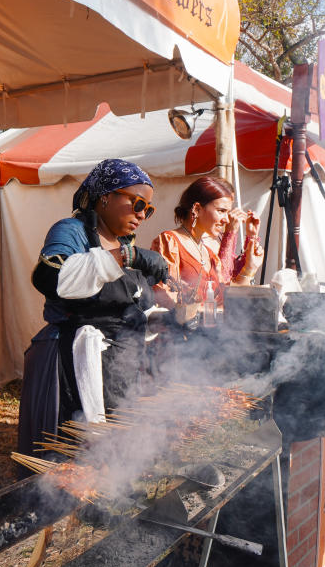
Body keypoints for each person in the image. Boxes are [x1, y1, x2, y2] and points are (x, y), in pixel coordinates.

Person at [18, 159, 169, 463]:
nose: (142, 215)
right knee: (74, 460)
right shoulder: (72, 230)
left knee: (116, 461)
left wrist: (165, 317)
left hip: (121, 370)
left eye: (148, 209)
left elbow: (133, 309)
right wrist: (128, 256)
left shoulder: (125, 242)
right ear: (105, 197)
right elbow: (52, 277)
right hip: (76, 368)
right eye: (137, 203)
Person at [150, 174, 264, 318]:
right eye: (221, 211)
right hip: (179, 335)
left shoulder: (210, 252)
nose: (226, 219)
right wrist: (203, 313)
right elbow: (165, 296)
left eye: (228, 212)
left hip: (207, 335)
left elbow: (226, 298)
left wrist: (249, 268)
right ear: (197, 209)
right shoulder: (170, 241)